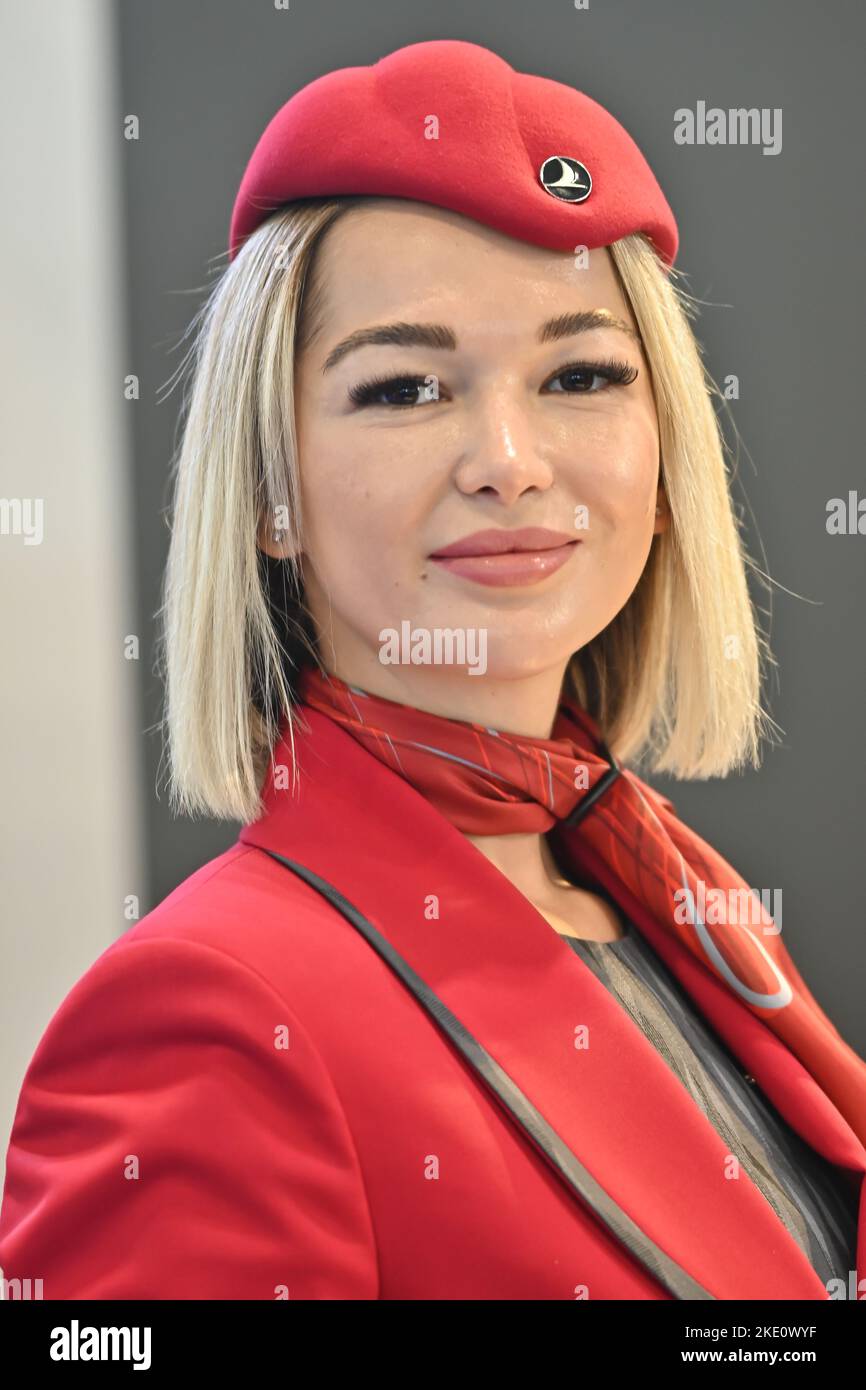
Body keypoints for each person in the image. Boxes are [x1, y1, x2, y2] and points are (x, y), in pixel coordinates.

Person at [1, 38, 864, 1302]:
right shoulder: (205, 1018)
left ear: (665, 455)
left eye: (580, 375)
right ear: (268, 493)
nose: (508, 459)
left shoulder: (667, 896)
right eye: (404, 386)